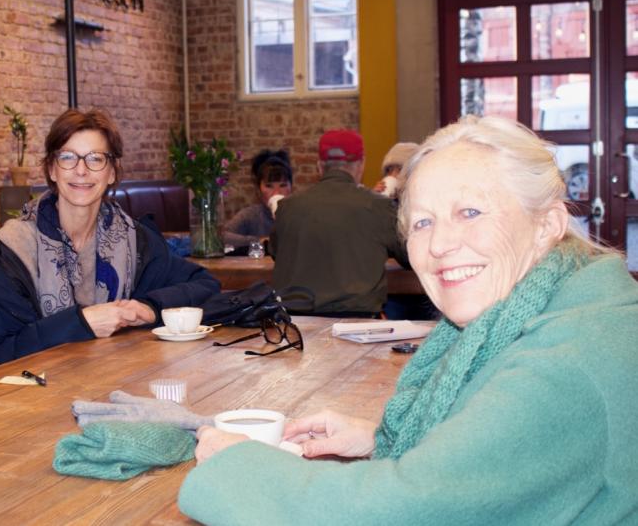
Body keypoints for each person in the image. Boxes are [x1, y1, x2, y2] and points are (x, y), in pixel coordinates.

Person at [179, 115, 638, 524]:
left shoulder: (563, 366)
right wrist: (381, 439)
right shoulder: (565, 308)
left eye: (470, 212)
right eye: (421, 222)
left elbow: (399, 512)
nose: (439, 245)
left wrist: (240, 468)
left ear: (547, 225)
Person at [0, 109, 220, 374]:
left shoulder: (134, 241)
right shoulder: (8, 253)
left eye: (95, 159)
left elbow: (206, 285)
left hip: (106, 388)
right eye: (68, 157)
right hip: (25, 405)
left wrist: (151, 307)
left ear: (112, 172)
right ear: (52, 170)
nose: (81, 170)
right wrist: (81, 323)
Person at [269, 129, 409, 317]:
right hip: (357, 325)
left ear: (319, 166)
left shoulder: (287, 207)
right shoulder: (378, 206)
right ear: (361, 165)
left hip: (295, 325)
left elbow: (275, 252)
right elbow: (409, 256)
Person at [223, 149, 293, 248]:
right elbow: (221, 237)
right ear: (258, 189)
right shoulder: (251, 216)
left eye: (283, 185)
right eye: (269, 186)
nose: (277, 192)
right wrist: (258, 241)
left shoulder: (300, 215)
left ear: (291, 187)